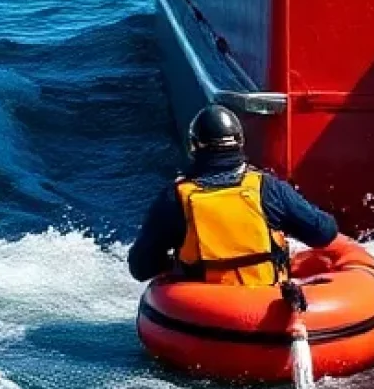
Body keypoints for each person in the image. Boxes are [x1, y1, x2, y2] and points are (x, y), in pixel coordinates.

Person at [127, 105, 338, 285]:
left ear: (194, 146)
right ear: (239, 142)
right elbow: (324, 233)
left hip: (202, 309)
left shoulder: (174, 198)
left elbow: (141, 268)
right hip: (266, 301)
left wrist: (171, 262)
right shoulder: (269, 189)